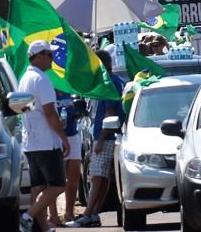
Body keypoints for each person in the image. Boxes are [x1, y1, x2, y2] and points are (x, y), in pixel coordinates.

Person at [68, 51, 125, 228]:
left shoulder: (108, 83)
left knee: (97, 178)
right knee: (103, 179)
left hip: (105, 137)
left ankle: (87, 214)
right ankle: (93, 214)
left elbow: (110, 113)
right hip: (106, 136)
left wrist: (100, 141)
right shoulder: (115, 81)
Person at [18, 40, 70, 232]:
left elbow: (24, 110)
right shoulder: (41, 79)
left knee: (38, 186)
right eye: (49, 54)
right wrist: (63, 137)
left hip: (31, 141)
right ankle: (28, 216)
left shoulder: (24, 79)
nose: (52, 58)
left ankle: (41, 227)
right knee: (58, 185)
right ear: (38, 56)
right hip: (46, 141)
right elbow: (49, 113)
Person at [47, 89, 82, 226]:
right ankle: (53, 216)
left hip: (73, 135)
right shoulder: (48, 91)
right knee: (55, 179)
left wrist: (76, 114)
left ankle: (69, 213)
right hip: (56, 137)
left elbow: (75, 109)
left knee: (73, 177)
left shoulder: (69, 89)